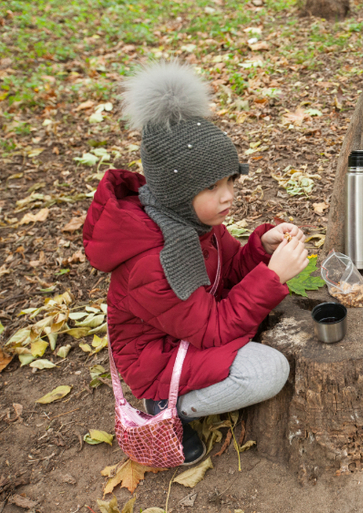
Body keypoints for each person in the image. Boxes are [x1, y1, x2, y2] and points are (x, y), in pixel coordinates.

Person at [83, 61, 308, 465]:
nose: (228, 196)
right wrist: (273, 277)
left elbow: (228, 273)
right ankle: (169, 406)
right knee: (268, 371)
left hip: (187, 331)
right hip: (157, 360)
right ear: (176, 191)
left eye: (231, 181)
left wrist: (261, 249)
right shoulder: (154, 259)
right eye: (212, 186)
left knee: (261, 333)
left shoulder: (192, 222)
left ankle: (193, 390)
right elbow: (211, 330)